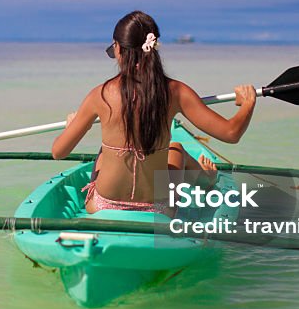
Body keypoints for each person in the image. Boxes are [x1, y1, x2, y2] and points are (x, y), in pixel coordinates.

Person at [51, 11, 256, 216]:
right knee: (176, 149)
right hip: (158, 208)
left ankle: (203, 177)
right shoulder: (176, 92)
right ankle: (208, 178)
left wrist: (76, 125)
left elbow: (58, 152)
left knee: (105, 152)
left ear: (118, 48)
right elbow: (231, 133)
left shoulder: (101, 95)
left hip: (103, 205)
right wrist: (247, 102)